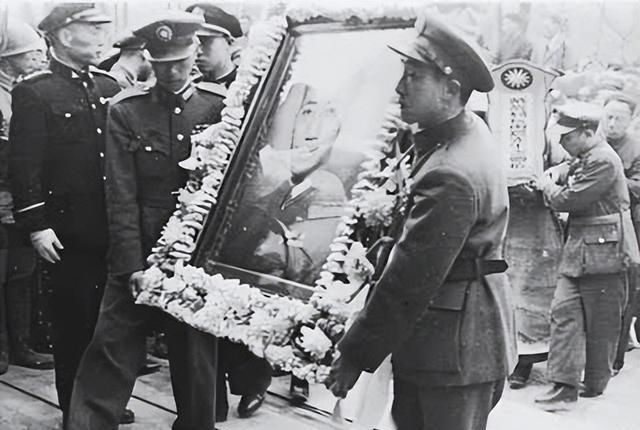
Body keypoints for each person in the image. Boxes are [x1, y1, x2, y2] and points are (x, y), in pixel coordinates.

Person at [325, 14, 516, 430]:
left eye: (413, 76)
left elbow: (409, 280)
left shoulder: (450, 170)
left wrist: (355, 354)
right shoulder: (460, 135)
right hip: (451, 339)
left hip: (452, 351)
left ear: (450, 89)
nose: (399, 88)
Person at [67, 12, 226, 430]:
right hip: (139, 245)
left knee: (195, 353)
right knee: (111, 346)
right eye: (162, 65)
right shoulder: (126, 111)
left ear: (195, 54)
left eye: (180, 62)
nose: (172, 73)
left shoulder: (219, 107)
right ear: (149, 62)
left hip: (196, 253)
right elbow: (120, 195)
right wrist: (131, 266)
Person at [7, 4, 132, 426]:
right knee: (74, 324)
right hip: (67, 234)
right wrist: (37, 225)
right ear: (63, 34)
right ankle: (75, 412)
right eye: (92, 29)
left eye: (103, 29)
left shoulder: (108, 86)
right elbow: (25, 166)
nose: (102, 37)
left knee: (109, 325)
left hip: (112, 227)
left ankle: (103, 401)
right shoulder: (35, 92)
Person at [185, 2, 270, 421]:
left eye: (206, 42)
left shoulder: (254, 87)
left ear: (231, 43)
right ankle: (210, 401)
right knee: (199, 307)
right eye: (193, 43)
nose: (197, 51)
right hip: (195, 214)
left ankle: (253, 380)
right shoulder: (189, 92)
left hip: (243, 211)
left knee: (241, 300)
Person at [534, 103, 640, 411]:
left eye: (567, 137)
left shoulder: (604, 160)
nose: (562, 143)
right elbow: (571, 165)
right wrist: (557, 171)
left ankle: (594, 382)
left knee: (602, 322)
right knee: (564, 314)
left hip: (608, 253)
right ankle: (563, 385)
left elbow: (569, 199)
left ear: (588, 133)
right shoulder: (588, 154)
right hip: (582, 251)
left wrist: (547, 185)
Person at [0, 17, 53, 375]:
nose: (38, 58)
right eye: (29, 53)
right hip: (5, 200)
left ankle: (18, 346)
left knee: (19, 274)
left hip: (14, 202)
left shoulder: (18, 91)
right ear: (7, 60)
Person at [598, 93, 640, 373]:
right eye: (608, 117)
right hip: (591, 226)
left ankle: (615, 357)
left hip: (627, 228)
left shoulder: (636, 149)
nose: (612, 124)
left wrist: (607, 177)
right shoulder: (593, 141)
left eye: (619, 119)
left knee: (623, 291)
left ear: (632, 120)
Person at [187, 2, 242, 87]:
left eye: (203, 41)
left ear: (230, 42)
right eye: (190, 42)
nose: (196, 51)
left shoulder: (246, 86)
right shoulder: (190, 86)